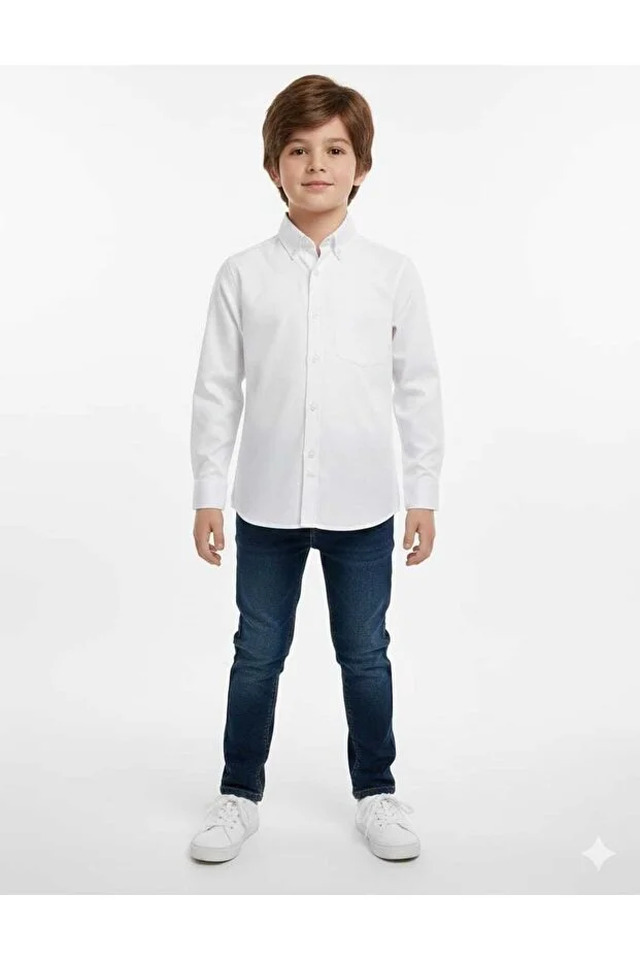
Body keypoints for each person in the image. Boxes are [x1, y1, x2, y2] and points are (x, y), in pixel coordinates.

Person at [188, 74, 445, 864]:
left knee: (364, 654)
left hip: (362, 505)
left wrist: (424, 494)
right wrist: (207, 493)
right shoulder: (243, 274)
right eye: (298, 151)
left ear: (361, 165)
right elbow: (217, 389)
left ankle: (376, 793)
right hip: (265, 505)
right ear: (274, 166)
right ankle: (239, 794)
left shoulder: (391, 273)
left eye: (335, 150)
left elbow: (418, 385)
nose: (317, 165)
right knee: (256, 653)